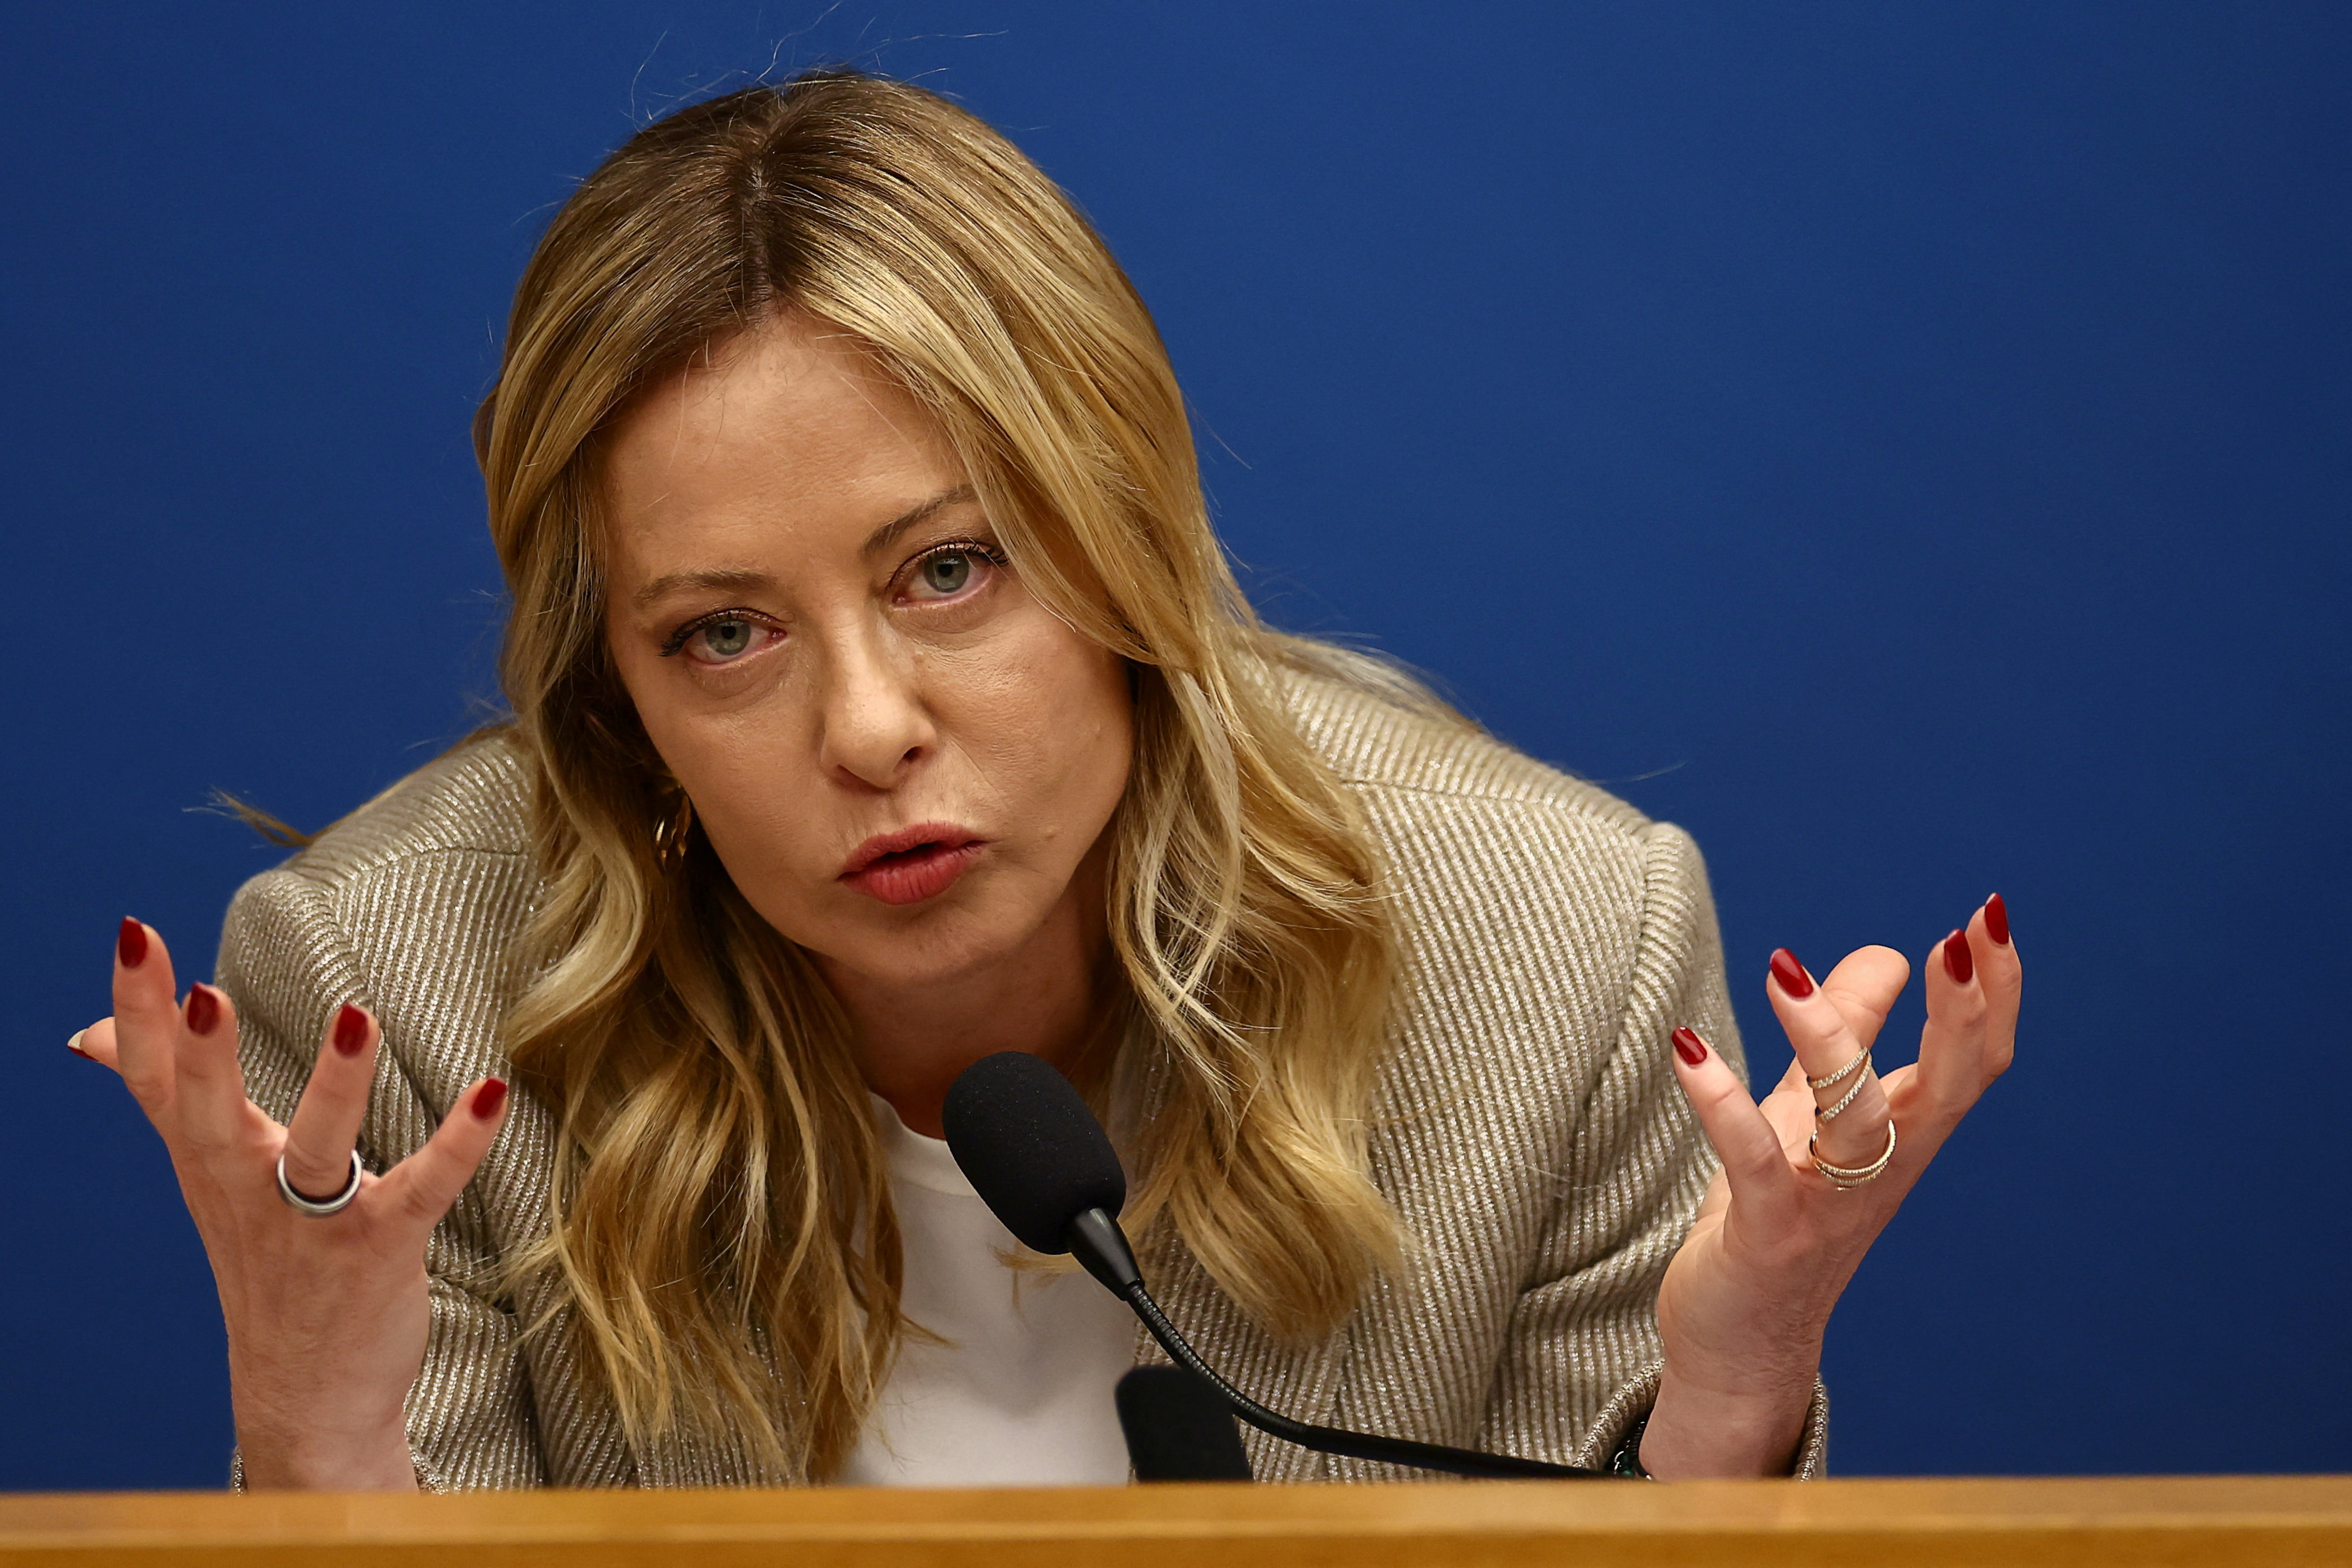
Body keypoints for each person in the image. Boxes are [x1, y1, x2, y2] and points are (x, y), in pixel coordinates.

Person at [71, 69, 2020, 1492]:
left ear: (1125, 555)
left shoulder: (1557, 946)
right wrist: (313, 1434)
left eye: (949, 569)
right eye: (720, 634)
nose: (865, 728)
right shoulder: (389, 995)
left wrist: (1732, 1408)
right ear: (617, 705)